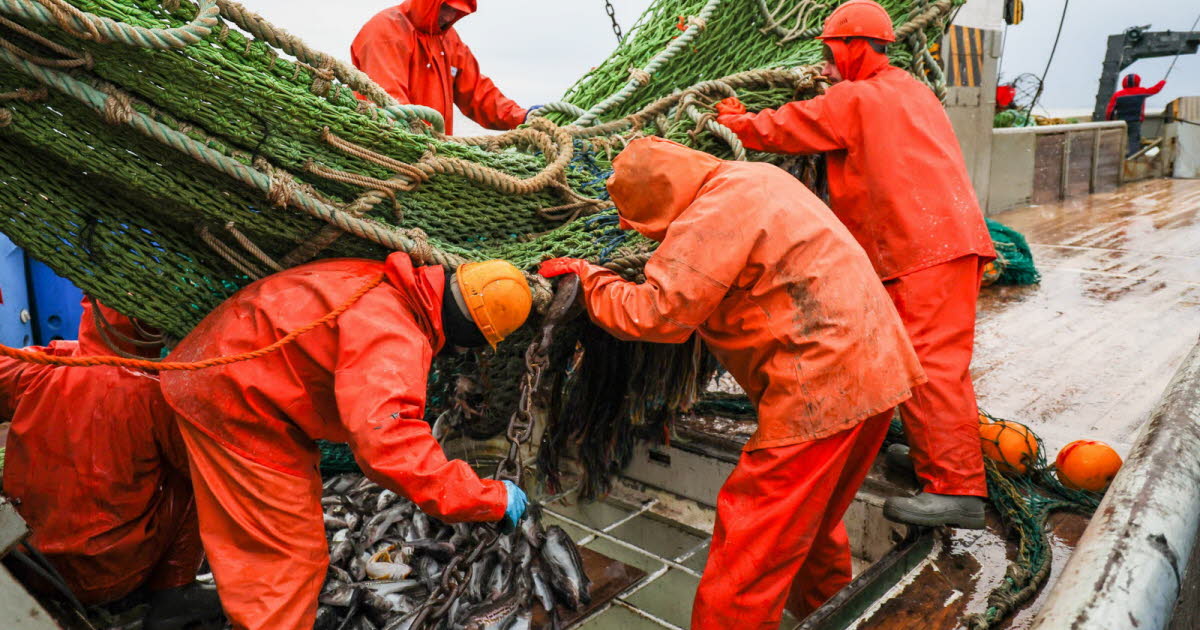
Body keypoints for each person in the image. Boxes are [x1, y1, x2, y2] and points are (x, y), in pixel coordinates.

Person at [538, 136, 926, 628]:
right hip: (879, 370)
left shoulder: (710, 214)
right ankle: (827, 614)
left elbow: (657, 314)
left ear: (658, 199)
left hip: (822, 388)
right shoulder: (756, 177)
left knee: (749, 547)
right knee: (815, 522)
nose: (627, 229)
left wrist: (589, 279)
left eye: (632, 219)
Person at [715, 0, 997, 530]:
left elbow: (787, 126)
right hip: (945, 241)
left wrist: (735, 121)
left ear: (853, 47)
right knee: (919, 361)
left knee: (931, 367)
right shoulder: (910, 89)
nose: (825, 66)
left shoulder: (856, 97)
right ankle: (931, 459)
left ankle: (957, 489)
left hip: (920, 250)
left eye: (828, 53)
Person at [159, 253, 533, 630]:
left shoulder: (375, 278)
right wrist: (488, 498)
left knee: (194, 499)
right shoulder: (394, 333)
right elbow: (390, 444)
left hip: (203, 369)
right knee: (288, 561)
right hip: (240, 405)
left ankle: (169, 597)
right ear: (468, 337)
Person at [0, 298, 219, 630]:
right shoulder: (157, 396)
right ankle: (174, 593)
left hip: (31, 564)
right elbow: (211, 475)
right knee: (193, 473)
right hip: (109, 575)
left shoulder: (37, 372)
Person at [352, 0, 537, 134]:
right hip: (388, 147)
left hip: (431, 151)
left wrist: (522, 117)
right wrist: (423, 144)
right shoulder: (386, 31)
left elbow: (477, 93)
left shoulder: (449, 40)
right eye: (445, 7)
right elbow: (389, 102)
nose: (449, 16)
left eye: (456, 10)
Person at [1106, 73, 1166, 156]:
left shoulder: (1118, 95)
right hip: (1135, 122)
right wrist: (1162, 82)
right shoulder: (1141, 91)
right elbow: (1155, 90)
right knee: (1134, 140)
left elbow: (1110, 110)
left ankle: (1118, 156)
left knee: (1120, 141)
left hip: (1121, 123)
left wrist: (1110, 121)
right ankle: (1133, 157)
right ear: (1137, 82)